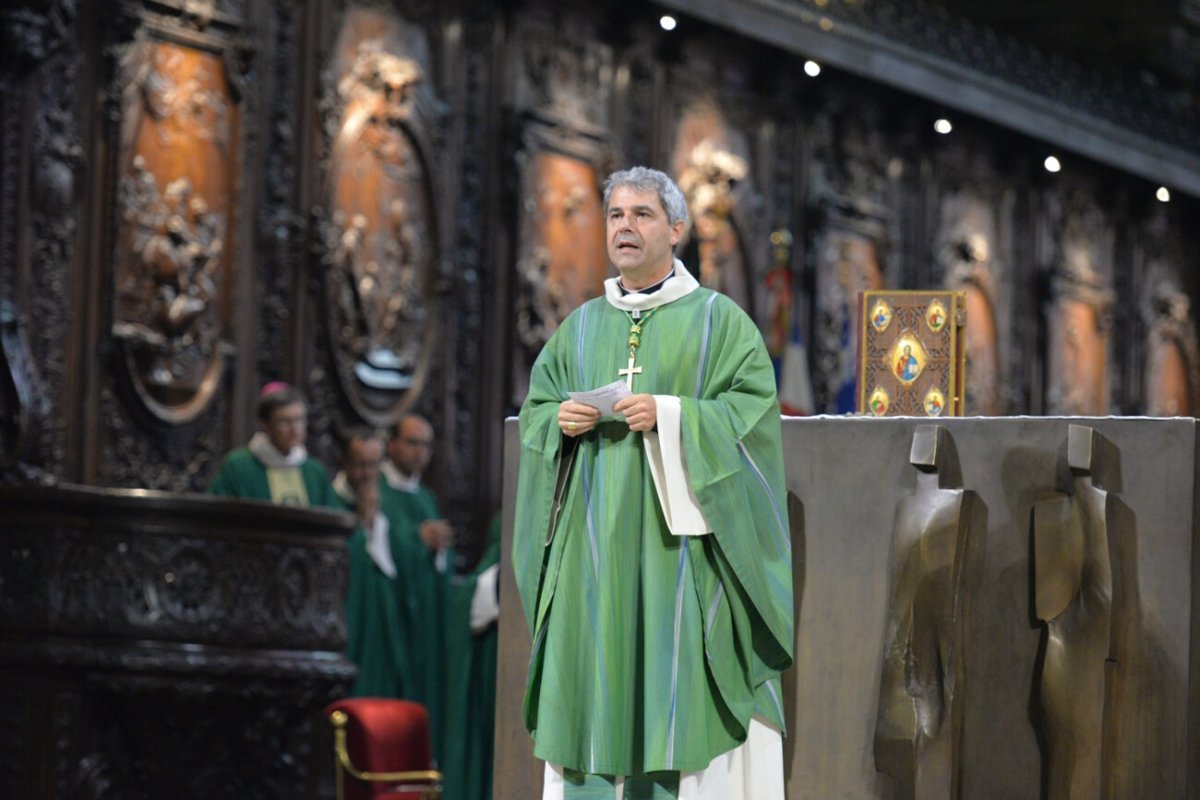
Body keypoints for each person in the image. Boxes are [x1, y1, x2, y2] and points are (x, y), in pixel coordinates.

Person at [513, 166, 794, 798]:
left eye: (641, 215)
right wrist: (557, 421)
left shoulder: (723, 325)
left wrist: (673, 417)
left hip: (681, 564)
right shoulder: (579, 328)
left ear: (676, 228)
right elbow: (535, 414)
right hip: (595, 559)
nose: (625, 227)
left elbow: (750, 424)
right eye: (615, 215)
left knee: (677, 698)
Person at [332, 429, 407, 698]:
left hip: (376, 617)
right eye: (361, 464)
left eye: (374, 465)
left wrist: (374, 522)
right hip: (346, 614)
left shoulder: (385, 501)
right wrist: (363, 522)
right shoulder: (332, 501)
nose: (367, 474)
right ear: (345, 463)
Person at [208, 382, 336, 507]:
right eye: (285, 421)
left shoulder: (314, 471)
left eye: (299, 420)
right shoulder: (238, 466)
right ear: (266, 426)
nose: (295, 429)